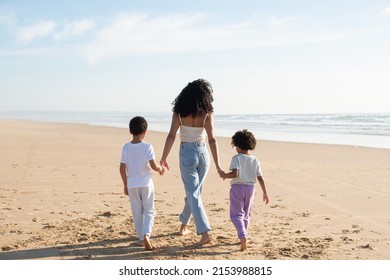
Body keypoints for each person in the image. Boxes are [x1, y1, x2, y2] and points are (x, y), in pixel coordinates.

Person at [160, 78, 222, 246]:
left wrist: (164, 157)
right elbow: (212, 140)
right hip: (203, 154)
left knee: (193, 193)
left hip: (187, 153)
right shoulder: (207, 114)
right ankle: (183, 225)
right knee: (194, 193)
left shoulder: (179, 113)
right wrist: (217, 165)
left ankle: (204, 232)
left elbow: (171, 135)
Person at [218, 129, 269, 251]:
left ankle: (243, 236)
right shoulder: (255, 159)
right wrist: (265, 192)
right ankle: (245, 234)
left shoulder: (236, 158)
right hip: (251, 188)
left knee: (236, 215)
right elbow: (260, 177)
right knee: (247, 214)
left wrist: (224, 175)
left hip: (237, 188)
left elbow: (235, 173)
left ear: (237, 145)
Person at [119, 116, 165, 251]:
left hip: (132, 183)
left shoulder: (126, 147)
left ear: (130, 131)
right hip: (146, 183)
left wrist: (125, 184)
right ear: (145, 130)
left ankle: (140, 238)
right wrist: (160, 169)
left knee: (136, 211)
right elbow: (153, 165)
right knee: (149, 210)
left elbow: (122, 167)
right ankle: (146, 235)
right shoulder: (147, 146)